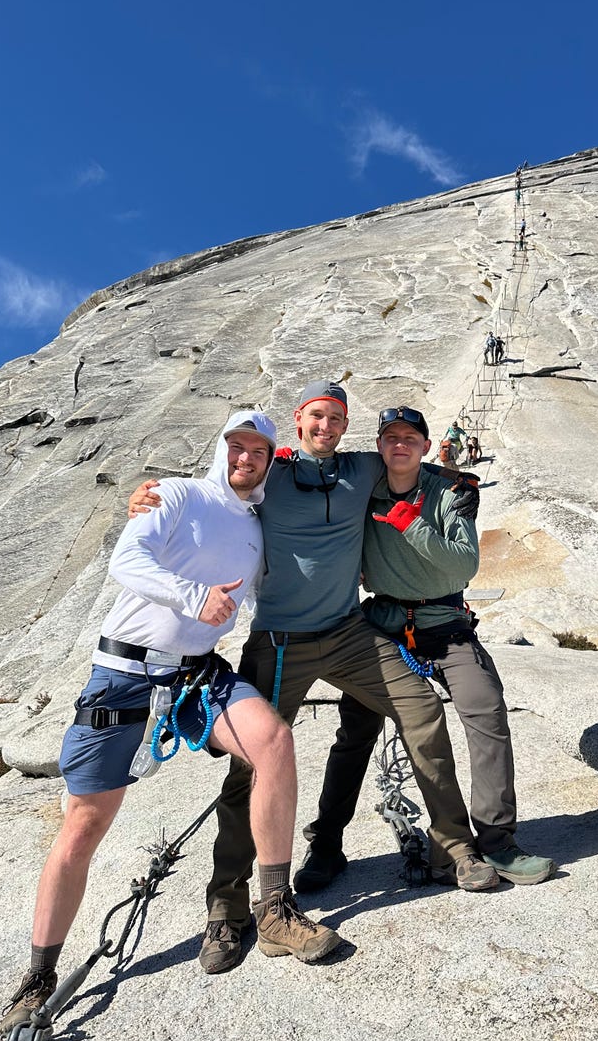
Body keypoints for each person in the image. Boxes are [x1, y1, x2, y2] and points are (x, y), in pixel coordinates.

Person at [130, 382, 496, 975]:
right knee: (250, 766)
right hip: (279, 642)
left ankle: (452, 843)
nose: (325, 426)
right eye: (316, 416)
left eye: (336, 418)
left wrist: (461, 481)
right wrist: (149, 497)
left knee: (422, 708)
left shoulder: (361, 469)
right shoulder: (269, 473)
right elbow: (218, 488)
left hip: (349, 631)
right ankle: (228, 907)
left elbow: (412, 461)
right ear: (298, 421)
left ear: (346, 427)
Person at [0, 413, 339, 1039]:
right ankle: (39, 973)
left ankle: (273, 911)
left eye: (259, 451)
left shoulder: (258, 524)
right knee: (84, 824)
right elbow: (127, 561)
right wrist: (192, 596)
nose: (247, 457)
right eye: (237, 445)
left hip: (195, 676)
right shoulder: (176, 494)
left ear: (270, 460)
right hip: (122, 676)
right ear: (220, 448)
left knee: (273, 741)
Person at [296, 405, 555, 893]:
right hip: (384, 626)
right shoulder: (361, 490)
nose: (399, 445)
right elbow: (311, 468)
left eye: (409, 437)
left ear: (423, 443)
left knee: (486, 713)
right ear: (378, 445)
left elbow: (461, 568)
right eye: (390, 436)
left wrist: (410, 524)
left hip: (446, 623)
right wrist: (290, 456)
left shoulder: (451, 491)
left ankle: (497, 840)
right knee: (356, 731)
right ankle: (326, 843)